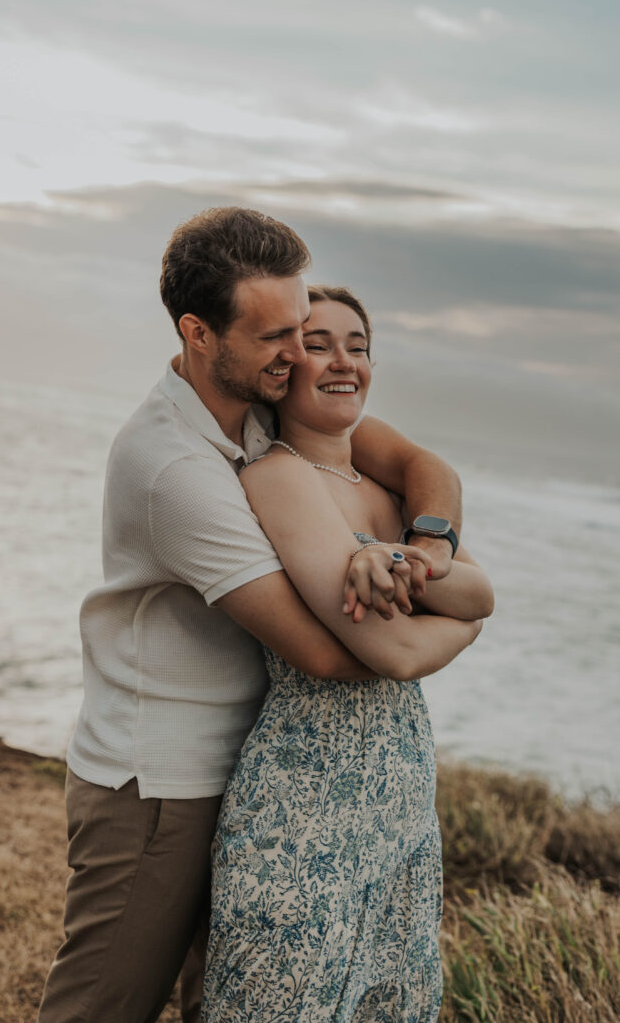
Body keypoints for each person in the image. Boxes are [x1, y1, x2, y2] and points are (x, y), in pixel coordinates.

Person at [37, 208, 465, 1023]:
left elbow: (419, 464)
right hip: (163, 782)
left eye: (301, 330)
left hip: (259, 779)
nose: (297, 355)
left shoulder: (264, 403)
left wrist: (432, 545)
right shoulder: (172, 467)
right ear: (199, 333)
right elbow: (328, 655)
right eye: (274, 337)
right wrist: (467, 620)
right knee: (102, 1006)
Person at [201, 286, 493, 1022]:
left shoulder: (384, 486)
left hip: (400, 807)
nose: (342, 362)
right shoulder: (276, 476)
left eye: (357, 346)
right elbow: (394, 651)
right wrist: (453, 616)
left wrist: (401, 559)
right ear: (282, 367)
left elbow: (481, 596)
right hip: (306, 810)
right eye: (318, 344)